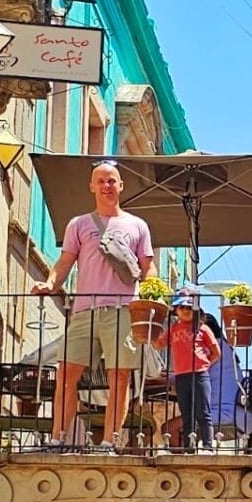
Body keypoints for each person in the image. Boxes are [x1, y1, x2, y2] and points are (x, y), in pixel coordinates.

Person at [34, 160, 156, 447]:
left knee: (120, 376)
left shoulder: (137, 225)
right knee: (66, 374)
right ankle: (57, 438)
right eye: (101, 181)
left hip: (123, 309)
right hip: (84, 309)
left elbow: (147, 267)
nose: (106, 186)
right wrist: (50, 285)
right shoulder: (79, 224)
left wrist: (154, 292)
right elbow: (65, 262)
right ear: (92, 186)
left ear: (121, 186)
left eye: (112, 180)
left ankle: (111, 440)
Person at [165, 289, 221, 450]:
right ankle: (190, 447)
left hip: (200, 375)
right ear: (176, 310)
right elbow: (159, 343)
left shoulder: (202, 329)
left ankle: (208, 446)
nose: (185, 310)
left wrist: (204, 365)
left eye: (189, 308)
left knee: (203, 412)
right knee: (187, 413)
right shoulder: (173, 329)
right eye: (181, 307)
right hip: (181, 376)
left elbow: (216, 352)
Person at [201, 310, 243, 445]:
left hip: (221, 412)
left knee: (170, 427)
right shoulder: (227, 348)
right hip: (239, 414)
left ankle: (183, 460)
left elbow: (193, 375)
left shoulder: (210, 349)